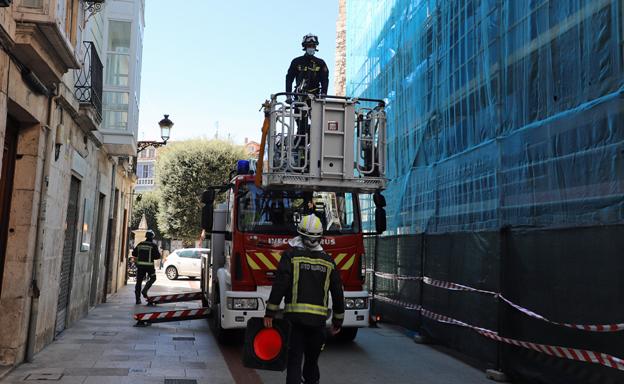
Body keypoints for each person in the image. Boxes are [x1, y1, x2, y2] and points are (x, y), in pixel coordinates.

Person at [264, 215, 344, 384]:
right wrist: (338, 321)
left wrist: (270, 313)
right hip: (318, 324)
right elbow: (337, 292)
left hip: (294, 322)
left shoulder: (291, 256)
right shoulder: (329, 261)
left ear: (300, 234)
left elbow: (280, 285)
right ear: (320, 236)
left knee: (294, 361)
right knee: (312, 362)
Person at [286, 33, 330, 141]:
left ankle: (313, 142)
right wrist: (288, 95)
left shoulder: (320, 63)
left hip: (314, 98)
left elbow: (325, 80)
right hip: (299, 98)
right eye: (309, 45)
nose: (311, 48)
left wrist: (323, 95)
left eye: (313, 46)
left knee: (317, 125)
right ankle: (300, 146)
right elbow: (289, 78)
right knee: (301, 125)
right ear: (305, 47)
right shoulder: (297, 62)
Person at [132, 229, 160, 304]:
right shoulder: (153, 245)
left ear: (146, 236)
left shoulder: (140, 244)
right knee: (153, 278)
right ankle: (145, 290)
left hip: (140, 266)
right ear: (152, 237)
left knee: (138, 282)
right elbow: (157, 256)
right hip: (150, 267)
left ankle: (137, 300)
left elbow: (134, 254)